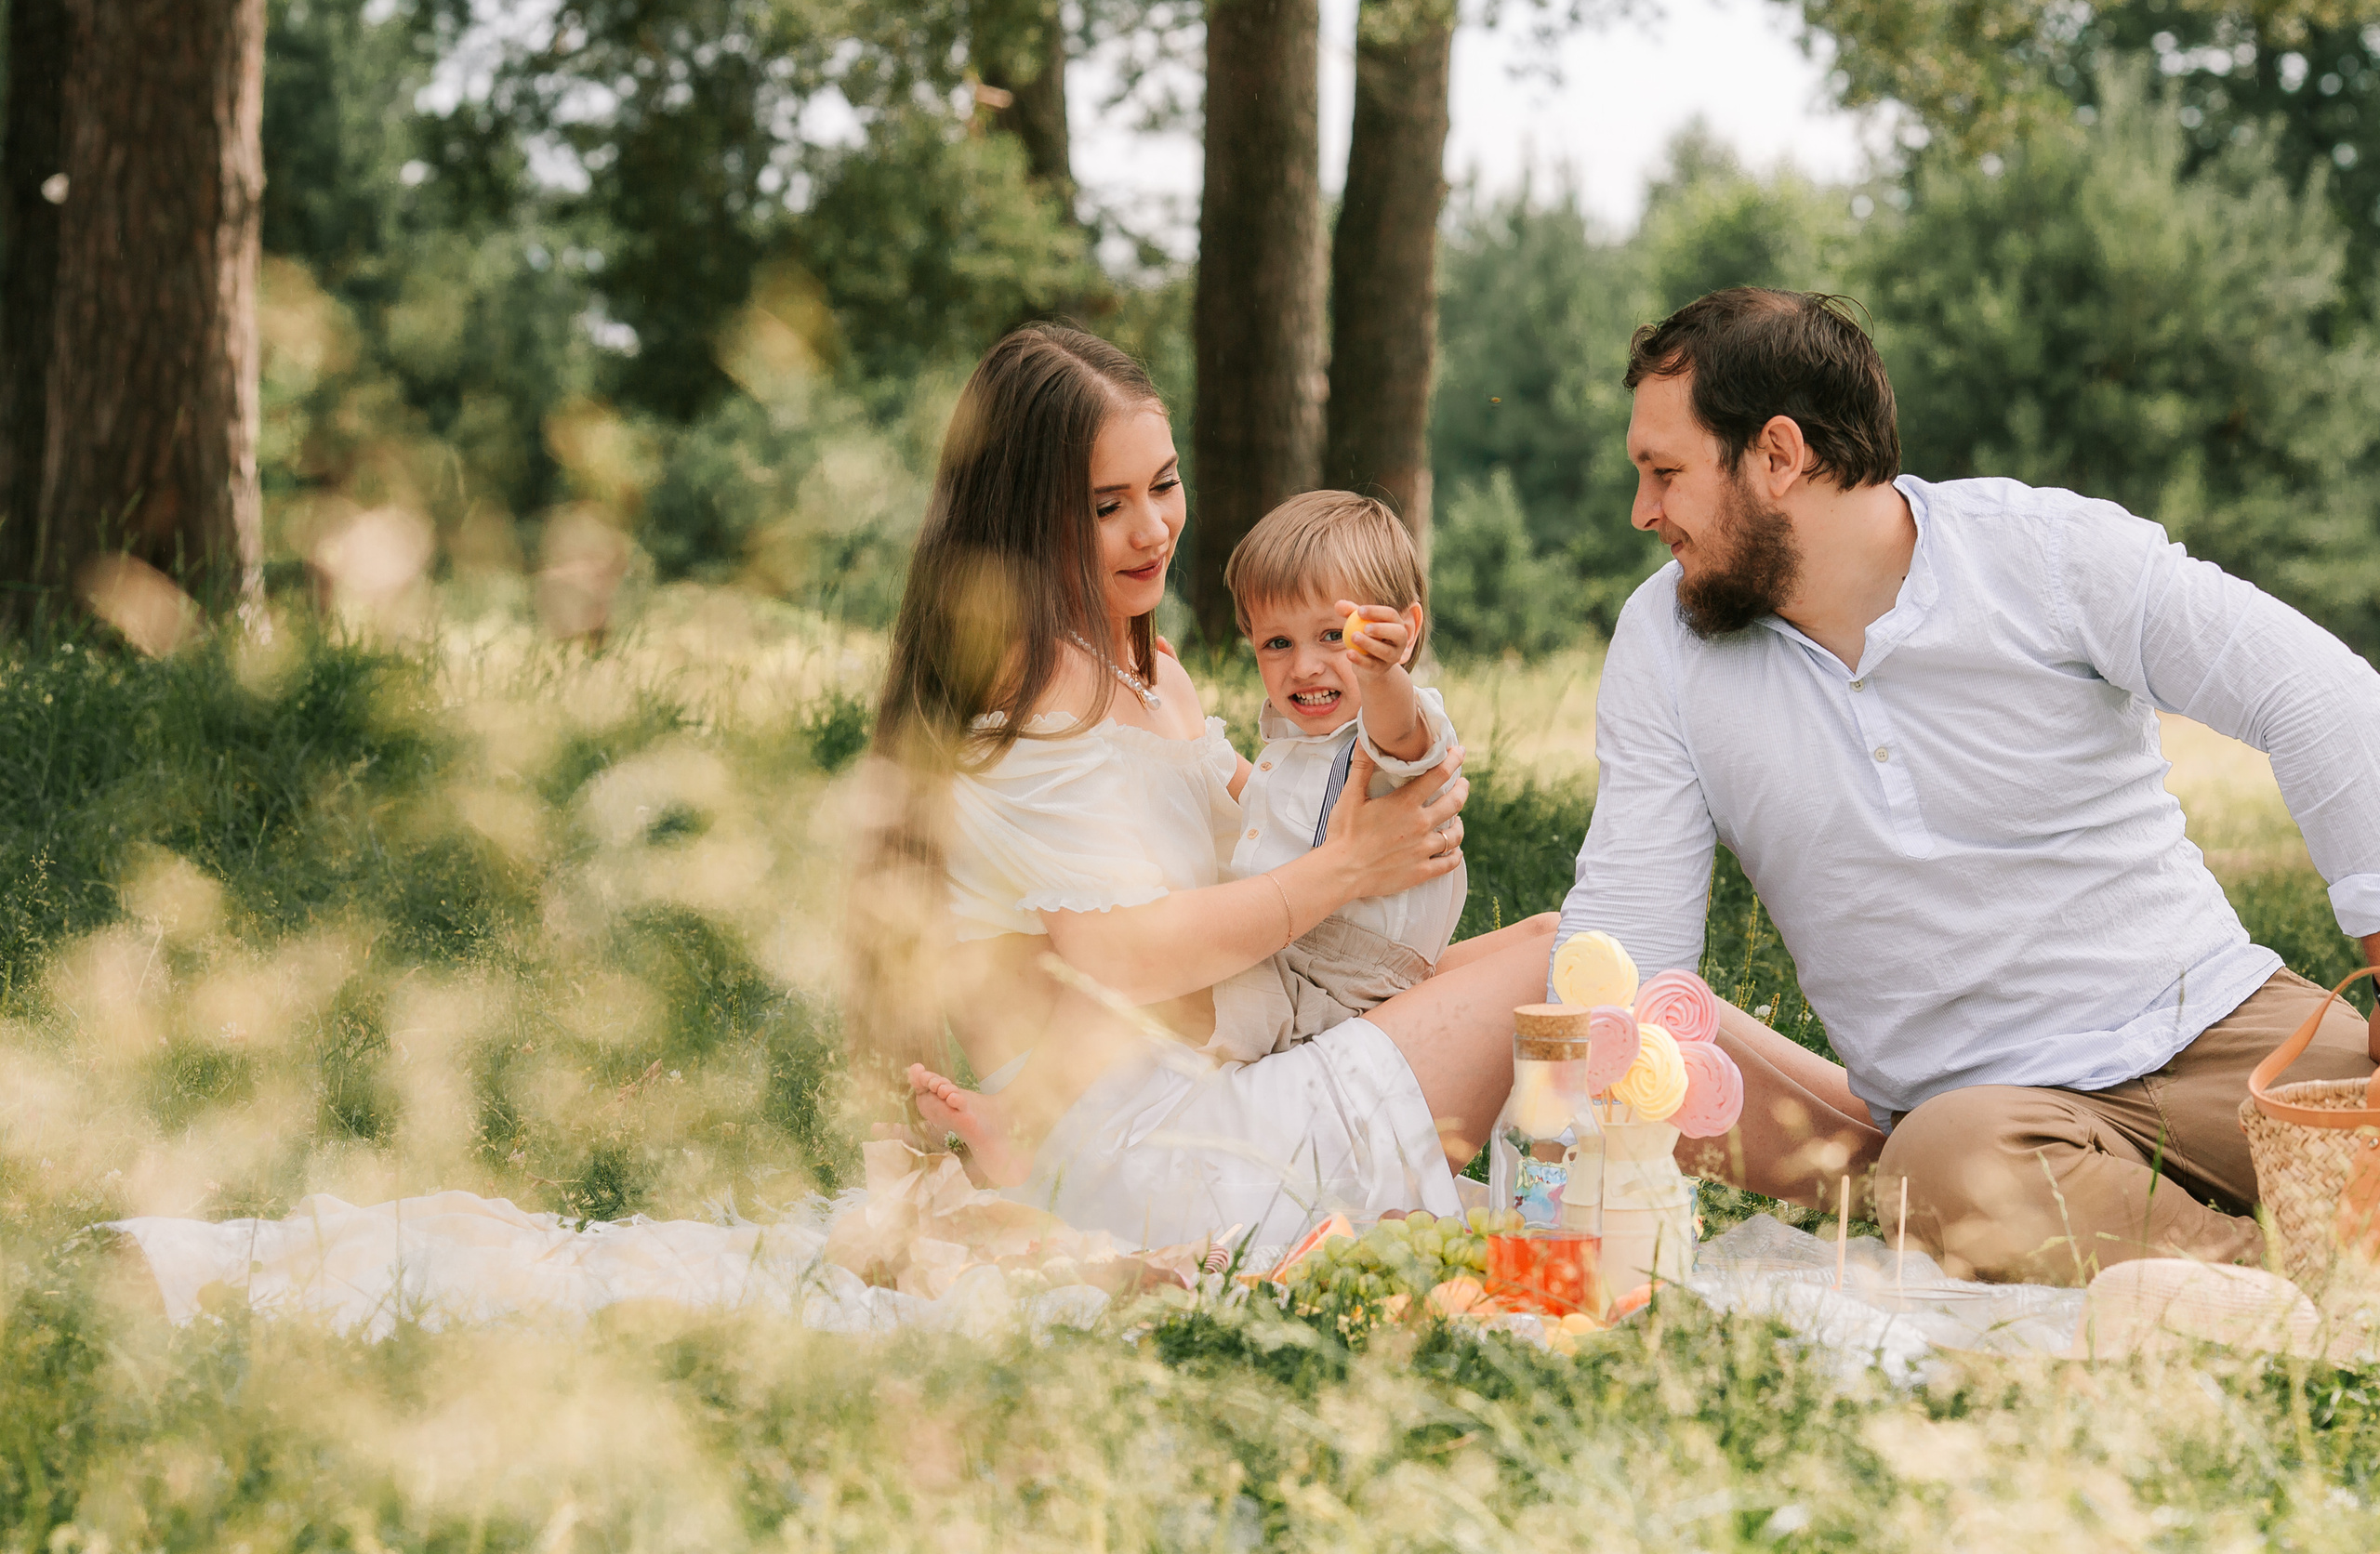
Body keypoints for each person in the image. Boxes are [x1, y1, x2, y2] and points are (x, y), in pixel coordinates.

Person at [1556, 286, 2380, 1283]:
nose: (1643, 511)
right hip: (1987, 1120)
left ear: (1776, 455)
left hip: (2215, 1029)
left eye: (1664, 472)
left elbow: (2316, 693)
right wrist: (1577, 1174)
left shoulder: (2042, 552)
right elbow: (1626, 937)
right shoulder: (1663, 644)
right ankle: (2302, 1284)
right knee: (1939, 1179)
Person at [853, 325, 1555, 1249]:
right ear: (1027, 520)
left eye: (1163, 483)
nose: (1152, 529)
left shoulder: (1158, 680)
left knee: (1568, 947)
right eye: (1107, 505)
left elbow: (1279, 823)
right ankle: (1805, 1156)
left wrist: (1374, 804)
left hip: (1228, 1056)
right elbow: (1122, 959)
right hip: (1142, 1142)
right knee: (1558, 974)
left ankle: (1812, 1131)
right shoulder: (1035, 687)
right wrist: (1348, 868)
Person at [1203, 489, 1554, 1062]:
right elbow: (1276, 813)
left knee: (1184, 1004)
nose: (1305, 664)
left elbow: (1401, 732)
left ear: (1403, 631)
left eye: (1335, 636)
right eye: (1277, 643)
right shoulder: (1300, 741)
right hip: (1299, 954)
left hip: (1342, 980)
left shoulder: (1390, 730)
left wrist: (1383, 672)